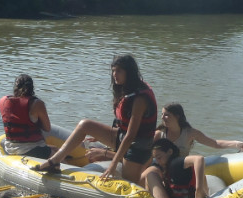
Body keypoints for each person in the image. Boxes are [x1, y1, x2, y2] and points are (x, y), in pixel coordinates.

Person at [36, 54, 156, 183]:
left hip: (137, 147)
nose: (115, 74)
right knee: (85, 125)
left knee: (129, 182)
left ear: (129, 72)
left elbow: (131, 135)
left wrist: (113, 164)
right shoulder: (127, 89)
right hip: (122, 136)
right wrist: (100, 134)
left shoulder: (140, 99)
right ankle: (55, 161)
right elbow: (123, 125)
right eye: (113, 70)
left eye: (119, 71)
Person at [155, 102, 243, 156]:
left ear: (177, 116)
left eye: (166, 115)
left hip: (182, 167)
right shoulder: (159, 134)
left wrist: (236, 144)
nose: (162, 117)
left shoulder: (190, 133)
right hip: (164, 169)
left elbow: (215, 143)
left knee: (198, 159)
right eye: (162, 114)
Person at [143, 138, 208, 198]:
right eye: (156, 158)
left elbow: (199, 159)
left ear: (170, 152)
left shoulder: (176, 162)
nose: (157, 161)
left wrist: (199, 189)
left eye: (159, 157)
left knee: (150, 175)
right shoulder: (171, 166)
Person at [0, 74, 53, 159]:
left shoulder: (2, 101)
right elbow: (47, 128)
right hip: (31, 150)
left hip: (10, 148)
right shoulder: (37, 104)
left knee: (54, 149)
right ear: (32, 88)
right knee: (58, 154)